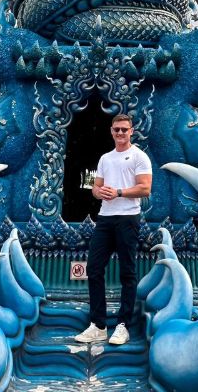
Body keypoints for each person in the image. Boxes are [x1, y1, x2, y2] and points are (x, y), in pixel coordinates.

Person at [75, 113, 152, 346]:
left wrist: (118, 192)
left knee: (127, 272)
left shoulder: (140, 157)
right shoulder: (105, 159)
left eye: (124, 130)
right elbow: (96, 187)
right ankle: (98, 325)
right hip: (105, 218)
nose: (120, 133)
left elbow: (145, 188)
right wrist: (99, 192)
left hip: (128, 217)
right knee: (95, 268)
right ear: (111, 131)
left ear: (131, 131)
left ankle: (123, 325)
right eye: (116, 129)